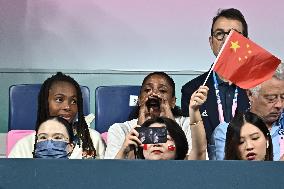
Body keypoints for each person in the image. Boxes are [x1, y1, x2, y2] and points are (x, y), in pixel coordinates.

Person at [181, 8, 250, 152]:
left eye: (234, 35)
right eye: (220, 34)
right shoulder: (191, 90)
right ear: (211, 42)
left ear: (245, 42)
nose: (227, 40)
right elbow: (190, 141)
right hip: (207, 167)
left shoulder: (257, 87)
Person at [105, 72, 207, 160]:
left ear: (173, 102)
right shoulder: (119, 129)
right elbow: (114, 173)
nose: (154, 94)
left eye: (162, 91)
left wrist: (169, 124)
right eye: (147, 90)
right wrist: (142, 127)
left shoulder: (188, 124)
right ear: (140, 100)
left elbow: (194, 162)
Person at [8, 72, 105, 159]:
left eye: (73, 101)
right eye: (59, 99)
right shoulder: (24, 146)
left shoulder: (92, 139)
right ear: (45, 102)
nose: (67, 107)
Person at [211, 63, 284, 160]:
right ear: (250, 94)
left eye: (283, 97)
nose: (279, 105)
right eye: (271, 98)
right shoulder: (226, 131)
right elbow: (226, 172)